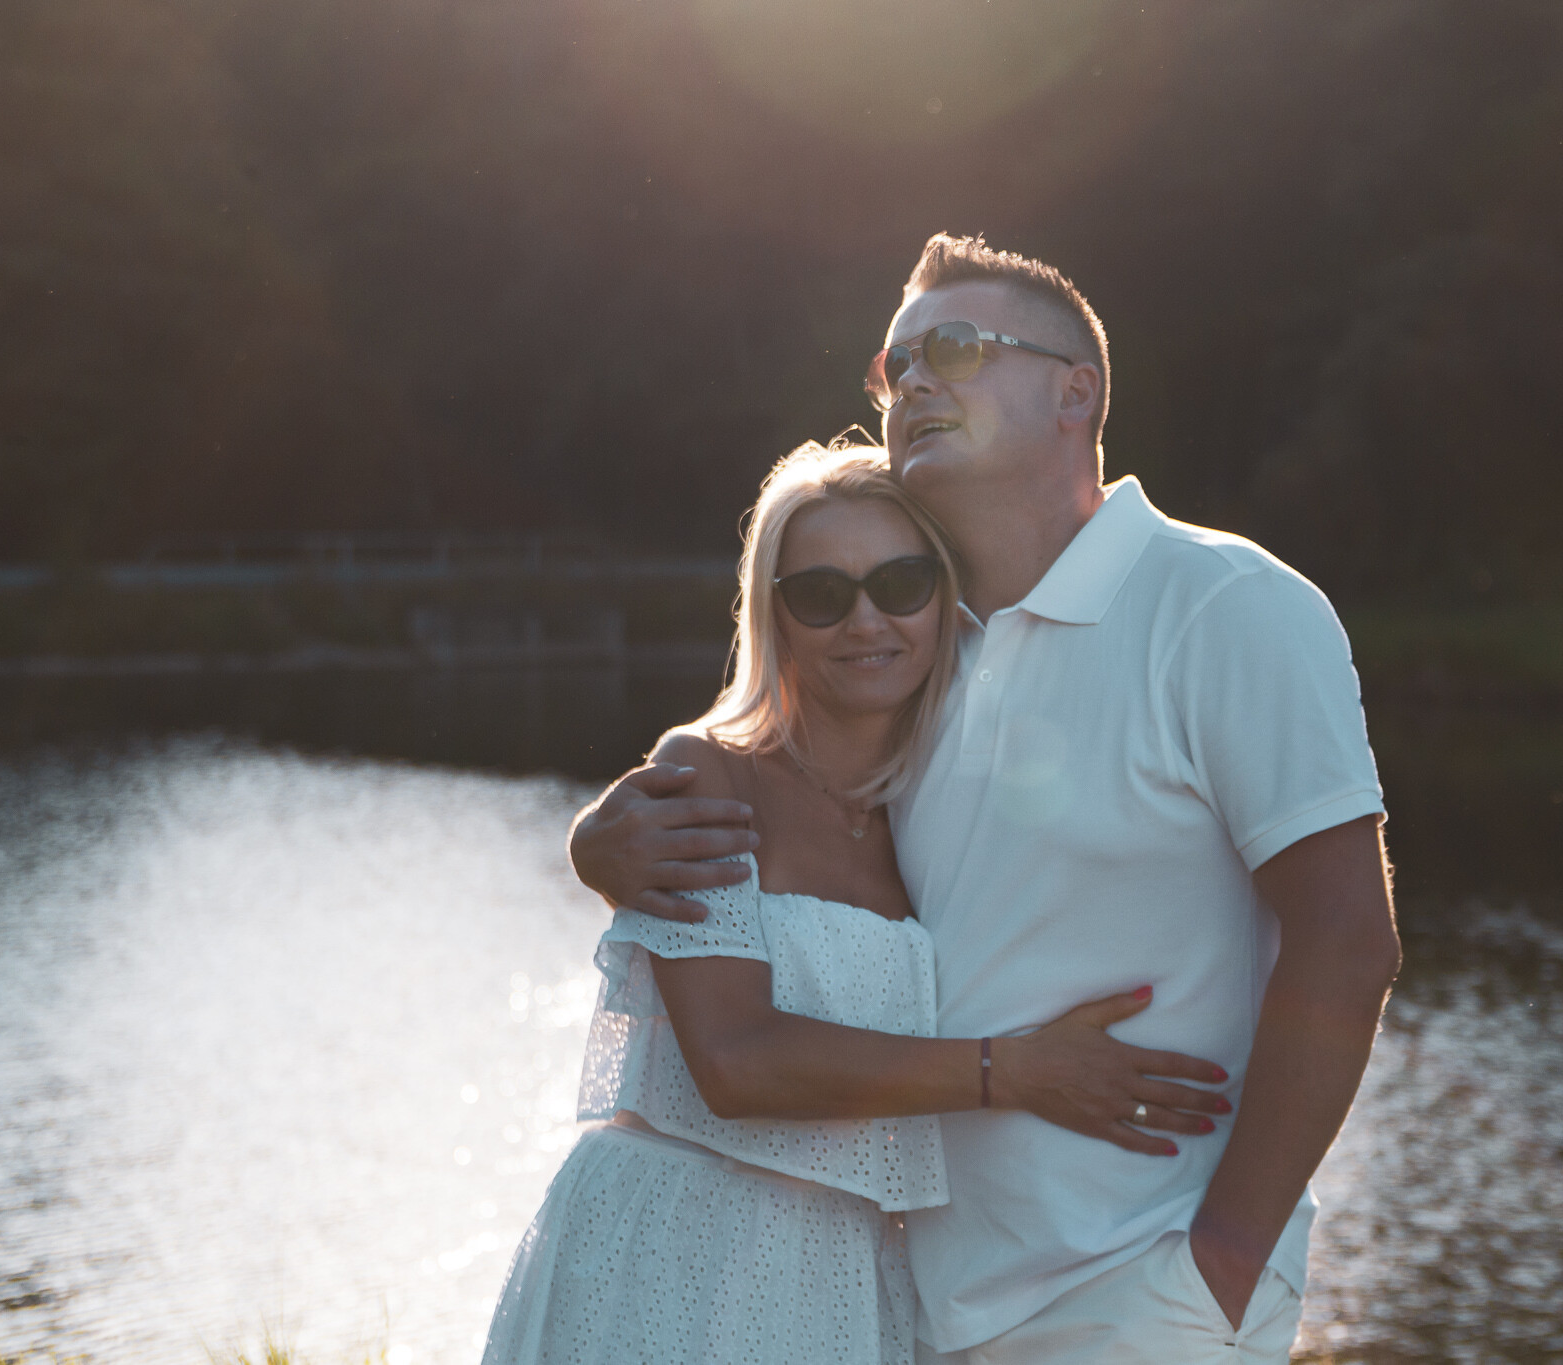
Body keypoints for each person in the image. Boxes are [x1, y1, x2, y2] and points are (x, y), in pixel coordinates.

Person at [569, 235, 1403, 1364]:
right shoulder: (922, 655)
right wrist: (598, 842)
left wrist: (1222, 1262)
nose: (913, 381)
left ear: (1076, 392)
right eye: (894, 365)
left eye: (954, 348)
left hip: (1139, 1289)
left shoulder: (1223, 603)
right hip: (917, 1303)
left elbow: (1347, 941)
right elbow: (781, 808)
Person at [483, 442, 1234, 1365]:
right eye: (822, 594)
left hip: (850, 1272)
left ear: (945, 597)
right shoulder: (710, 774)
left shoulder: (938, 801)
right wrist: (1016, 1071)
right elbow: (734, 1062)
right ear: (776, 615)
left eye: (900, 582)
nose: (867, 619)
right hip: (676, 1253)